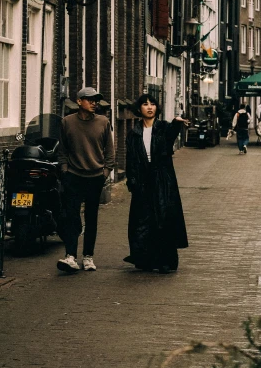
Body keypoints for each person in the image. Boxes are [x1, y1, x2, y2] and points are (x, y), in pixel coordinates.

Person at [123, 94, 189, 274]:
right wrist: (133, 181)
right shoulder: (134, 133)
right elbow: (131, 159)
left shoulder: (163, 128)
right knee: (143, 221)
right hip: (142, 181)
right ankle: (145, 258)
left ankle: (166, 260)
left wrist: (176, 123)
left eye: (152, 104)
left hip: (162, 180)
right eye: (145, 104)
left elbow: (169, 140)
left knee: (163, 219)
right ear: (140, 109)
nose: (149, 107)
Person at [57, 87, 115, 273]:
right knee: (71, 217)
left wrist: (105, 173)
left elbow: (110, 151)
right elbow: (63, 151)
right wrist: (65, 171)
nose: (94, 103)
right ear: (79, 101)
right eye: (89, 99)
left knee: (91, 218)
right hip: (73, 176)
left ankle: (88, 257)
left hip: (95, 177)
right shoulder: (67, 122)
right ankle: (70, 256)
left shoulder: (103, 122)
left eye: (96, 100)